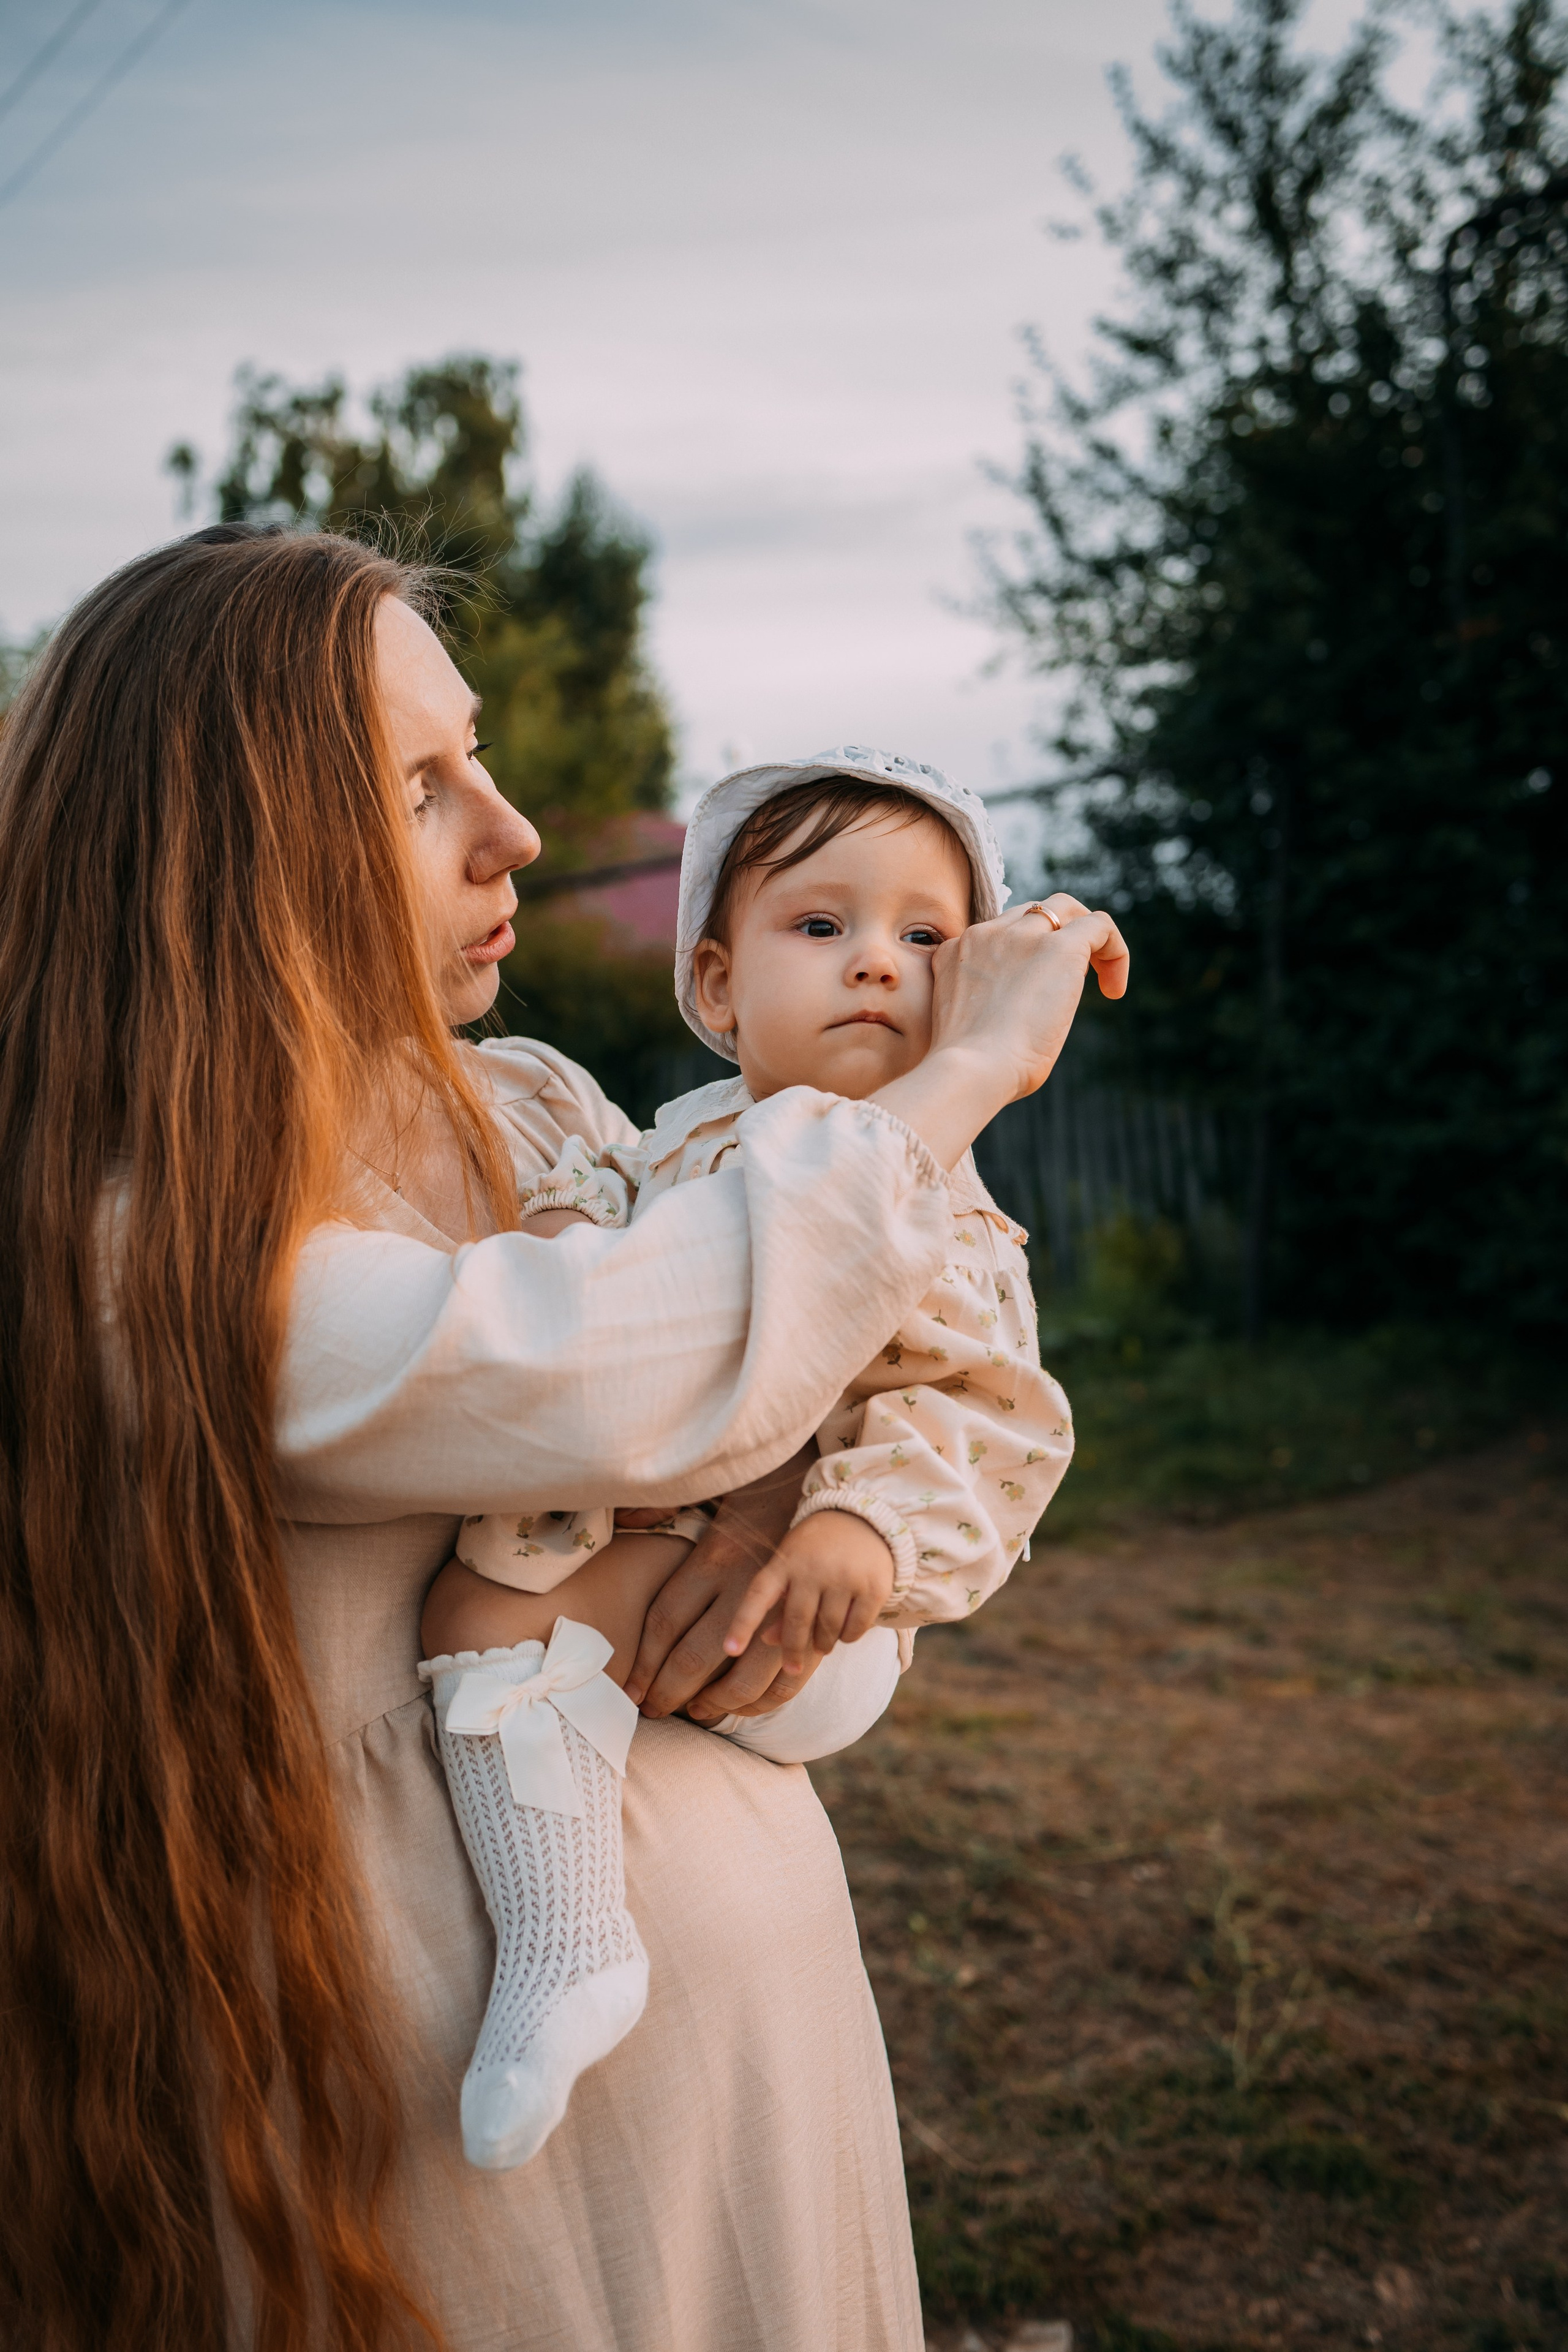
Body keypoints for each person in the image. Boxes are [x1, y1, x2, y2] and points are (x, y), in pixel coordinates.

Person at [0, 523, 1127, 2352]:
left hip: (746, 2044)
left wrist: (792, 1523)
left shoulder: (523, 1107)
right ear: (230, 851)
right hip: (449, 2132)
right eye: (421, 786)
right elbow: (630, 1358)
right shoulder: (141, 1243)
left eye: (482, 757)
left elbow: (813, 1381)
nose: (514, 831)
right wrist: (964, 1072)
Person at [424, 751, 1079, 2173]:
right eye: (822, 925)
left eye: (925, 939)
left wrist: (863, 1530)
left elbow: (985, 1409)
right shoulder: (683, 1139)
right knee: (480, 1601)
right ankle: (566, 1911)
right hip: (671, 1540)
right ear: (717, 989)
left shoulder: (929, 1196)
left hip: (816, 1610)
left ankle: (563, 1944)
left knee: (491, 1614)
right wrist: (561, 1241)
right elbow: (595, 1203)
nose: (876, 964)